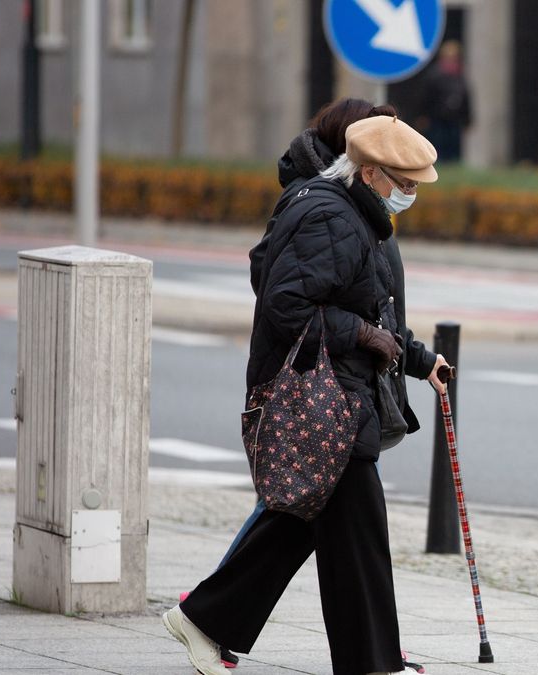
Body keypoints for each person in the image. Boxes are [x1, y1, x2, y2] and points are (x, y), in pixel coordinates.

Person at [162, 116, 447, 675]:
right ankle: (372, 662)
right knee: (355, 535)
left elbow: (375, 310)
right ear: (369, 172)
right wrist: (360, 336)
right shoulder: (331, 218)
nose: (411, 195)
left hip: (339, 395)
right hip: (325, 401)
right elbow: (285, 304)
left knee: (299, 527)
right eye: (405, 184)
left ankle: (207, 620)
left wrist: (419, 360)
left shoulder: (355, 216)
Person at [420, 41, 472, 162]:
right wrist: (423, 115)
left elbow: (466, 97)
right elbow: (426, 96)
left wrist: (467, 118)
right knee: (438, 145)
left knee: (453, 145)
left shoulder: (459, 74)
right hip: (437, 118)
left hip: (455, 119)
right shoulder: (434, 74)